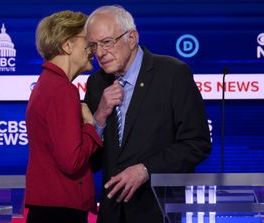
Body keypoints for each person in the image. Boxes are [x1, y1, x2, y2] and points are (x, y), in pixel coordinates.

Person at [84, 5, 211, 223]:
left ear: (131, 38)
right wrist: (98, 119)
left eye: (106, 42)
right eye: (94, 46)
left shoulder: (172, 74)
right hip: (111, 213)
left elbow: (196, 143)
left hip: (157, 210)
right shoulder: (96, 84)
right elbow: (91, 161)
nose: (100, 53)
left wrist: (146, 169)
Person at [25, 10, 102, 223]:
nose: (93, 49)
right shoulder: (62, 89)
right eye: (88, 41)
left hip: (51, 207)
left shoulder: (48, 84)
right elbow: (72, 162)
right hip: (60, 210)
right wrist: (90, 125)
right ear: (67, 45)